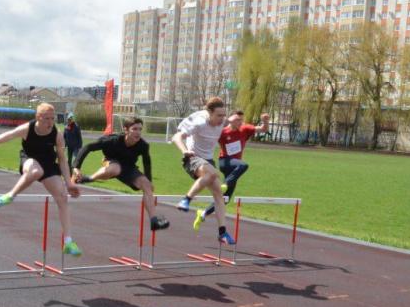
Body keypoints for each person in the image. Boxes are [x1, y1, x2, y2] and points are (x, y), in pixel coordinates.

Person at [0, 102, 83, 256]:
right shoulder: (27, 129)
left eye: (52, 119)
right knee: (35, 171)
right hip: (29, 159)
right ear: (38, 117)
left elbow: (62, 159)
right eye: (46, 119)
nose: (50, 123)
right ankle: (10, 196)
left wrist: (69, 183)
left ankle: (68, 242)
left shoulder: (57, 134)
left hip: (48, 163)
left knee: (62, 197)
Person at [71, 117, 169, 231]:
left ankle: (154, 221)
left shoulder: (143, 145)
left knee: (147, 185)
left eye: (140, 129)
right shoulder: (112, 140)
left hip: (129, 168)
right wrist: (76, 167)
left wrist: (149, 181)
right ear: (126, 130)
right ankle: (89, 178)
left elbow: (147, 163)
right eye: (134, 129)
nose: (138, 132)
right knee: (115, 169)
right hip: (111, 162)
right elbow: (87, 147)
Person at [171, 96, 234, 245]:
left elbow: (233, 121)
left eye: (224, 115)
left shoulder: (222, 121)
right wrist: (185, 151)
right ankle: (186, 200)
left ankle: (222, 233)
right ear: (209, 113)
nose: (222, 119)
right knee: (213, 174)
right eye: (219, 115)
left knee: (219, 195)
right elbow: (176, 137)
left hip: (208, 161)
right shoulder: (199, 122)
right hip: (192, 158)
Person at [193, 111, 270, 231]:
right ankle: (225, 184)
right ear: (231, 119)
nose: (240, 122)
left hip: (235, 167)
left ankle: (202, 214)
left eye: (241, 120)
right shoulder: (222, 132)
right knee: (244, 166)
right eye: (238, 120)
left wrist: (265, 121)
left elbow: (263, 129)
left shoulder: (245, 129)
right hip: (225, 162)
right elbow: (207, 136)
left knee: (225, 199)